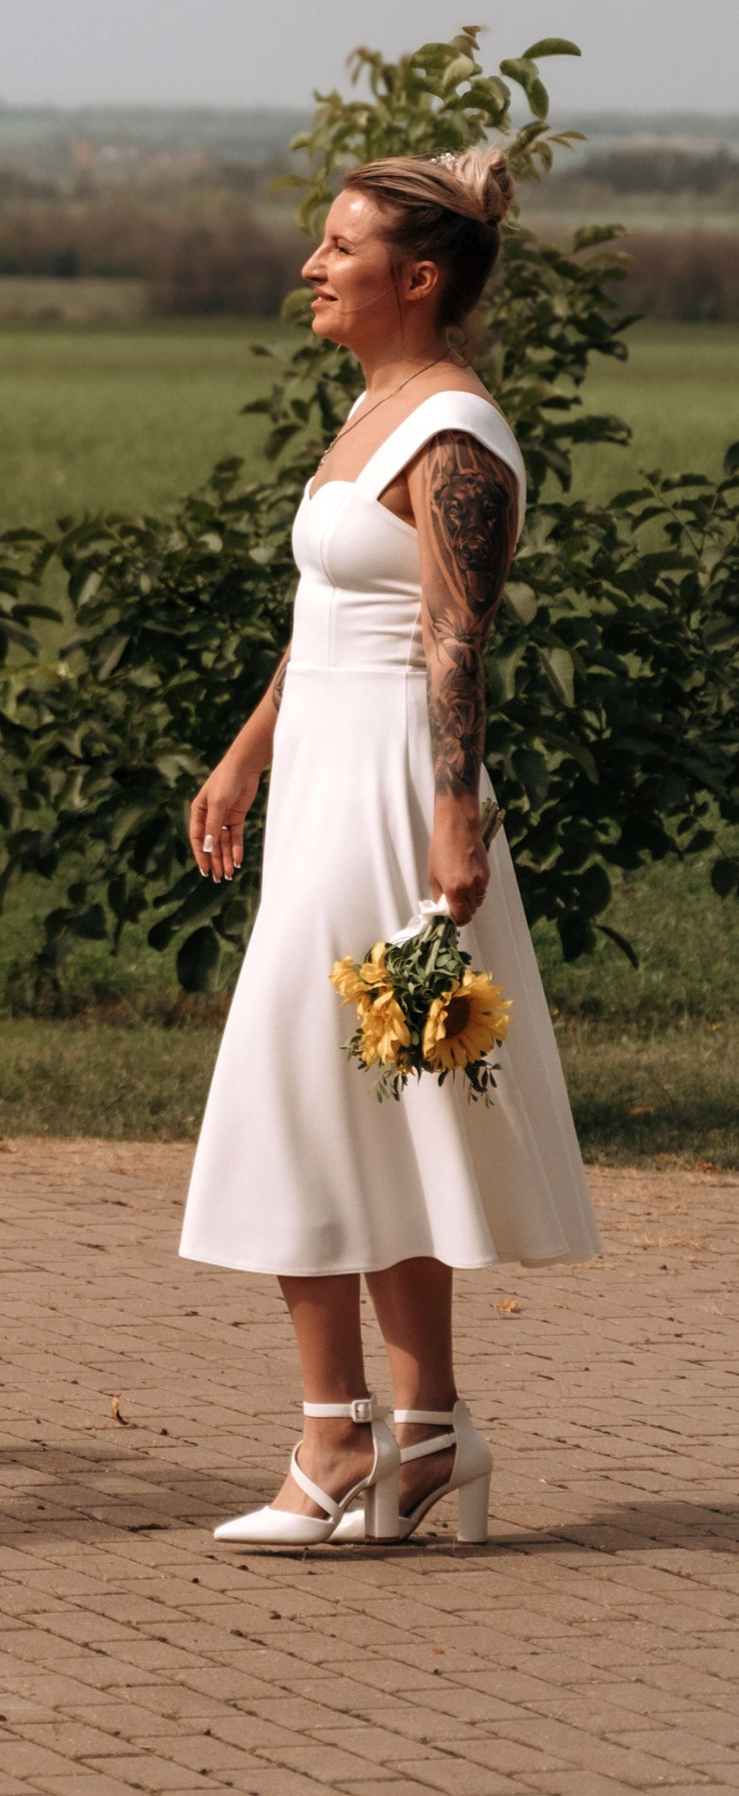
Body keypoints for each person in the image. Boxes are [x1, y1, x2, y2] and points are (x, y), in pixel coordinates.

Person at [179, 143, 598, 1549]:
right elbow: (328, 622)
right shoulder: (375, 409)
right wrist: (244, 755)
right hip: (318, 782)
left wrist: (456, 810)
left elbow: (451, 631)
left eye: (339, 247)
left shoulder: (455, 432)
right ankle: (426, 1438)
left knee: (305, 1089)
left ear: (416, 278)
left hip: (392, 797)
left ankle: (332, 1438)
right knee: (369, 1101)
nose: (311, 264)